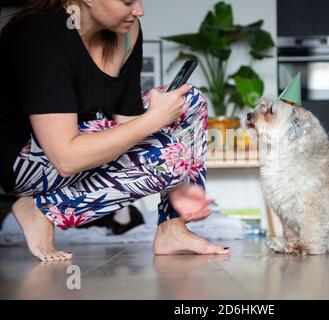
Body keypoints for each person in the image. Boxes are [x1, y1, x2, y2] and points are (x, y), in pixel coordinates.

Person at [0, 0, 230, 261]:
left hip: (85, 138)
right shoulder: (44, 35)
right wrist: (155, 125)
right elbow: (66, 159)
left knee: (189, 102)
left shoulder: (127, 32)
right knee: (169, 154)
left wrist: (176, 183)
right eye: (127, 1)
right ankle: (42, 209)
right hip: (28, 160)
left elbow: (126, 121)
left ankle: (172, 229)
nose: (139, 10)